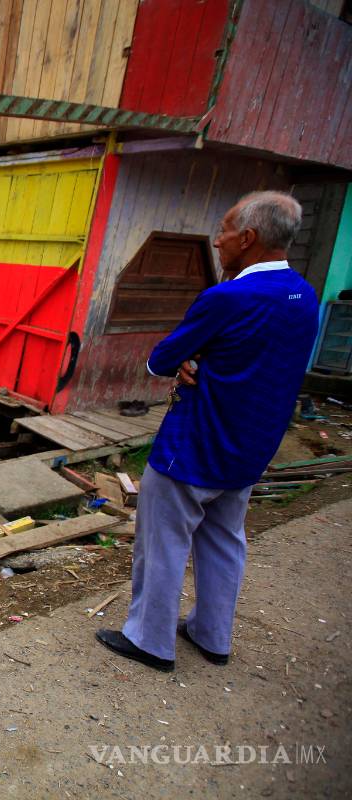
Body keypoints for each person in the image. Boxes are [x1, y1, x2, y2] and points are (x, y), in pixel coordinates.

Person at [96, 191, 320, 671]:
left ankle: (150, 640)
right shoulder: (304, 295)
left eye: (223, 231)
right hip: (250, 450)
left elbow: (160, 360)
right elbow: (261, 362)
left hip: (193, 449)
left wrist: (187, 362)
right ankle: (211, 634)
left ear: (249, 238)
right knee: (224, 541)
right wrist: (205, 361)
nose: (216, 241)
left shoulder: (227, 297)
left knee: (162, 542)